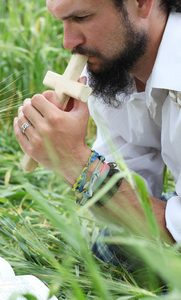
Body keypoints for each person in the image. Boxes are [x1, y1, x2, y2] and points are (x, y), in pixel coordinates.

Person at [14, 0, 181, 268]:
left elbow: (176, 234)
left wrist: (76, 161)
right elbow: (132, 200)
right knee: (114, 250)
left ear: (141, 3)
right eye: (62, 21)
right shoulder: (113, 65)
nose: (69, 41)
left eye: (81, 17)